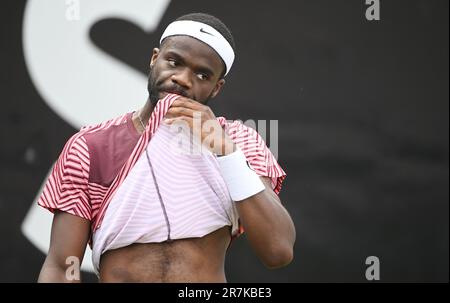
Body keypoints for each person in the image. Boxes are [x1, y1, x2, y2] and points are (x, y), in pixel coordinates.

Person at [37, 12, 296, 283]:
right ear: (154, 59)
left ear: (216, 88)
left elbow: (278, 249)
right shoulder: (90, 146)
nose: (183, 79)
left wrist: (225, 151)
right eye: (174, 62)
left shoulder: (239, 142)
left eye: (202, 74)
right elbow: (62, 264)